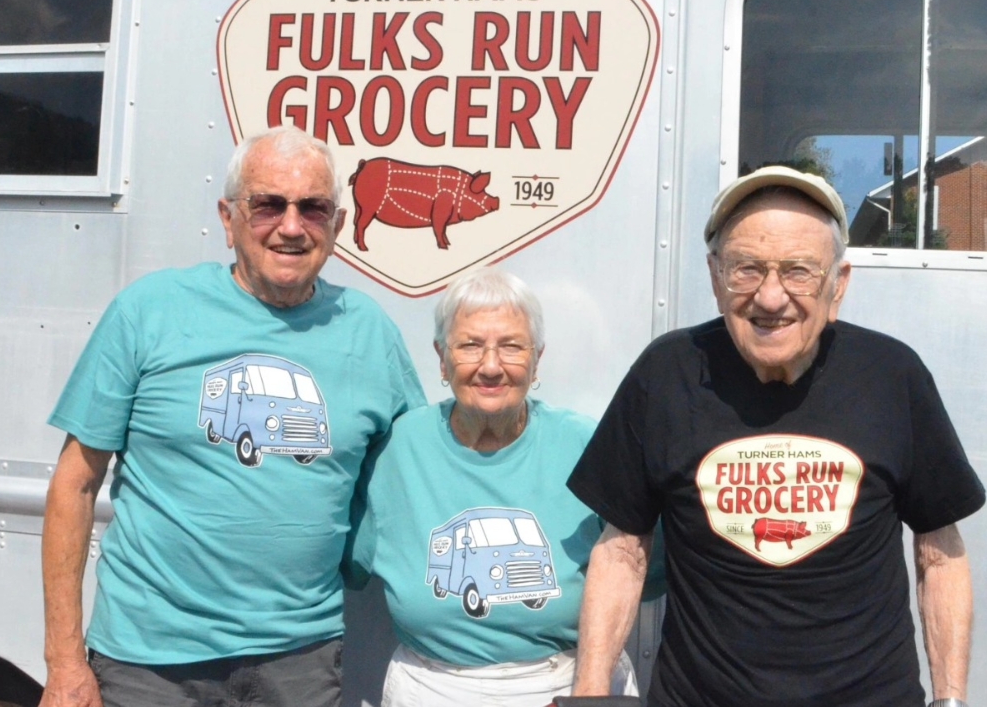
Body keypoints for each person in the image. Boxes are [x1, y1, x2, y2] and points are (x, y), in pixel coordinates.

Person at [568, 166, 986, 707]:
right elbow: (622, 550)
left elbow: (940, 554)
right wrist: (589, 697)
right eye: (747, 269)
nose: (770, 297)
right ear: (716, 279)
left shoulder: (893, 376)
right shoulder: (666, 373)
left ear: (839, 284)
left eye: (799, 271)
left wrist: (951, 700)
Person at [40, 125, 425, 707]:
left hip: (302, 658)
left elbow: (417, 471)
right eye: (268, 204)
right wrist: (65, 661)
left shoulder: (369, 332)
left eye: (313, 208)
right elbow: (74, 484)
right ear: (228, 219)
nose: (291, 226)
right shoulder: (149, 312)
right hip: (150, 664)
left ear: (338, 226)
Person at [344, 267, 645, 707]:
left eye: (511, 346)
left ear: (537, 359)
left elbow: (640, 567)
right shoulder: (397, 450)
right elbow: (350, 561)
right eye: (469, 346)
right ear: (442, 359)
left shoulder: (587, 443)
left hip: (570, 682)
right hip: (433, 686)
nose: (490, 367)